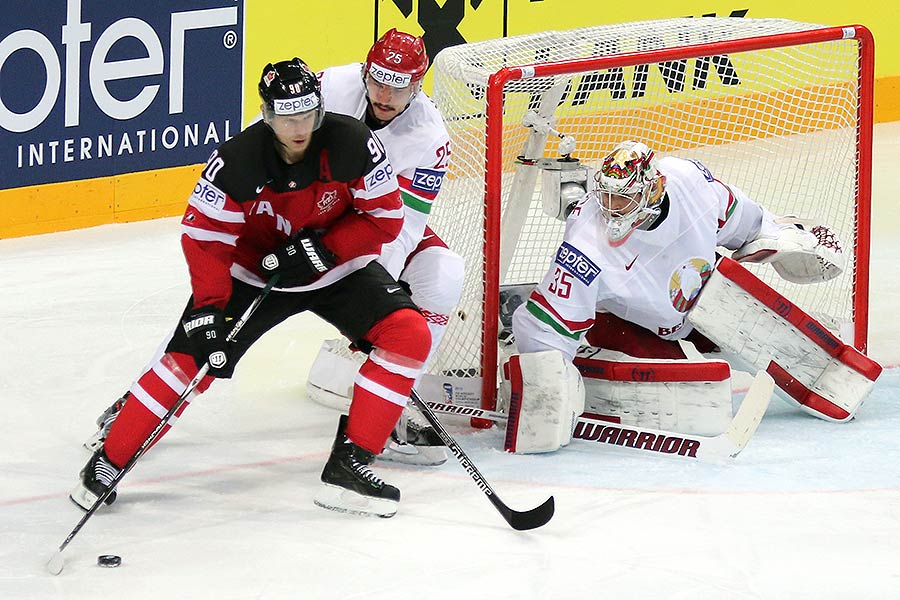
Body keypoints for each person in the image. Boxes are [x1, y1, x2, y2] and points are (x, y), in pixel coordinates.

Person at [71, 57, 431, 518]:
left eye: (307, 115)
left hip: (336, 268)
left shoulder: (353, 143)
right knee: (191, 360)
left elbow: (385, 218)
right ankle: (107, 463)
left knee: (409, 334)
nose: (299, 127)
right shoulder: (236, 161)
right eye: (286, 117)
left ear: (320, 111)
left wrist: (323, 249)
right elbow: (205, 240)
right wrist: (208, 307)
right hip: (252, 275)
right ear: (267, 114)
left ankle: (350, 466)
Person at [501, 139, 880, 453]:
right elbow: (547, 327)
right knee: (703, 404)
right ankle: (593, 368)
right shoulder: (586, 243)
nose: (612, 210)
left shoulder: (687, 182)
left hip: (704, 296)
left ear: (653, 188)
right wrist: (546, 382)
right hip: (626, 325)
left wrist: (780, 238)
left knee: (797, 351)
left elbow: (745, 224)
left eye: (624, 199)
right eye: (607, 197)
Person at [305, 29, 464, 465]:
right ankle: (142, 404)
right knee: (219, 303)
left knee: (444, 273)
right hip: (295, 216)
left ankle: (392, 402)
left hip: (362, 229)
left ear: (418, 85)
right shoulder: (330, 86)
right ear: (365, 71)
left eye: (399, 86)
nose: (385, 94)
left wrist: (373, 300)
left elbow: (404, 227)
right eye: (377, 81)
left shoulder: (429, 137)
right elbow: (264, 141)